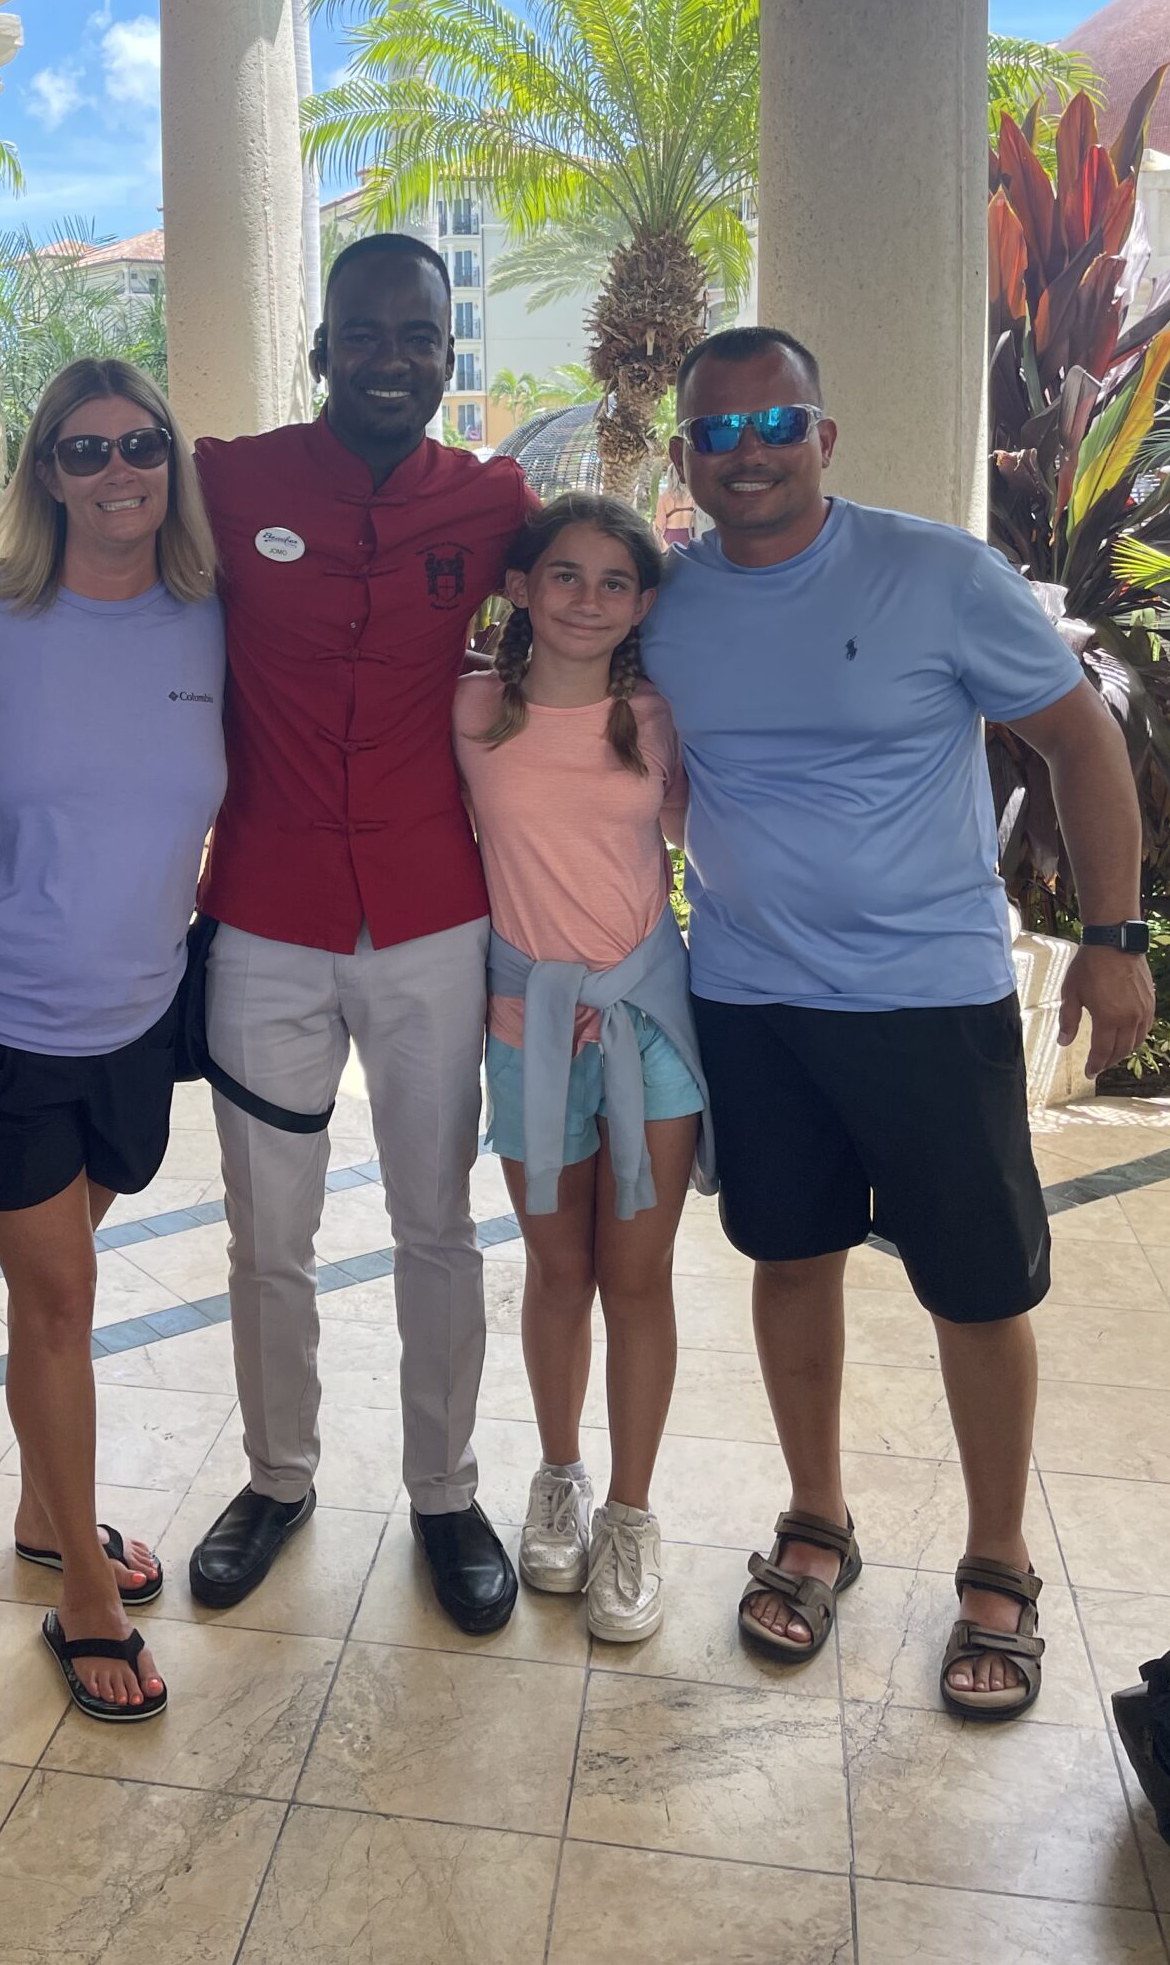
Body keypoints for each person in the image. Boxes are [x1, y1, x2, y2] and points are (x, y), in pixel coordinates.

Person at [640, 326, 1154, 1718]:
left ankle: (999, 1563)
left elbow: (1081, 737)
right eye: (719, 434)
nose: (750, 455)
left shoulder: (937, 574)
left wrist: (1114, 942)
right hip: (750, 997)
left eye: (777, 425)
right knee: (789, 1256)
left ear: (825, 436)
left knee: (977, 1288)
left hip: (931, 996)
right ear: (684, 456)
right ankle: (816, 1521)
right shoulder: (666, 604)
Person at [185, 232, 532, 1633]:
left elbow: (612, 594)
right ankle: (278, 1476)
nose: (393, 359)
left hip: (432, 919)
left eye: (420, 337)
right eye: (367, 335)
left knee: (436, 1223)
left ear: (450, 353)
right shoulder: (229, 480)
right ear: (322, 348)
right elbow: (95, 547)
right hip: (264, 918)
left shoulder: (494, 500)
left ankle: (446, 1493)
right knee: (266, 1231)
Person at [0, 360, 224, 1723]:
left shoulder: (211, 622)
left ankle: (49, 1514)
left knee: (64, 1281)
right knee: (58, 1299)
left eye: (142, 445)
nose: (119, 471)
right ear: (45, 471)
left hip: (139, 1017)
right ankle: (85, 1596)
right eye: (86, 449)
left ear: (171, 462)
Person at [453, 493, 708, 1642]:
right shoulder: (470, 712)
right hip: (529, 1028)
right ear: (521, 587)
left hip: (647, 1019)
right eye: (564, 574)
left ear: (643, 604)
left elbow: (712, 836)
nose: (587, 599)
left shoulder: (655, 718)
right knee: (558, 1270)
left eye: (614, 581)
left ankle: (632, 1510)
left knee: (637, 1274)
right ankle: (557, 1474)